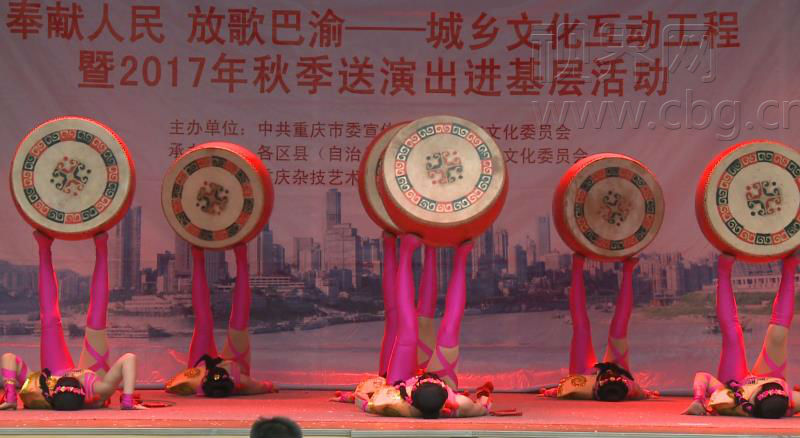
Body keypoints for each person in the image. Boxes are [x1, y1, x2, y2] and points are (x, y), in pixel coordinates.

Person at [683, 253, 800, 418]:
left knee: (732, 336)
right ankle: (790, 266)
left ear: (752, 397)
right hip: (772, 379)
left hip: (737, 380)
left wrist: (698, 400)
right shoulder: (792, 400)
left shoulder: (729, 400)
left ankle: (724, 270)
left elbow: (703, 376)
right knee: (778, 335)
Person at [0, 352, 141, 410]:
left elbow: (9, 358)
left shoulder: (38, 388)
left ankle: (10, 398)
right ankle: (10, 398)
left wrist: (10, 395)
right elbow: (129, 358)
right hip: (84, 388)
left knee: (8, 357)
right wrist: (127, 401)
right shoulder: (95, 390)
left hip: (45, 388)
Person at [331, 372, 493, 418]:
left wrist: (351, 397)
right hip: (450, 401)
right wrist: (484, 392)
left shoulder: (400, 404)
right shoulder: (460, 404)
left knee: (378, 387)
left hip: (405, 392)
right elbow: (483, 407)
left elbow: (366, 403)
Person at [166, 354, 276, 397]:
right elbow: (264, 386)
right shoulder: (242, 383)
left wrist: (171, 385)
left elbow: (173, 385)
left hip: (222, 372)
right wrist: (269, 386)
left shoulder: (198, 383)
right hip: (229, 371)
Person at [541, 361, 655, 401]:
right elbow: (640, 391)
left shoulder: (586, 387)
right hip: (599, 374)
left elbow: (563, 389)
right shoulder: (630, 387)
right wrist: (648, 393)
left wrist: (548, 392)